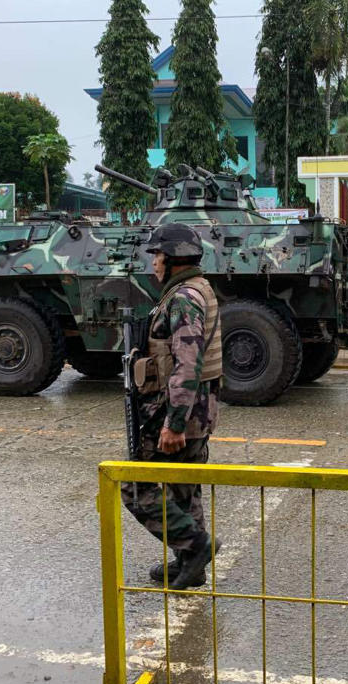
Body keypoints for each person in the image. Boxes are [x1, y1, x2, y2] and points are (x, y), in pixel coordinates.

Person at [121, 223, 223, 589]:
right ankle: (189, 565)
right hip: (199, 411)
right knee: (184, 489)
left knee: (135, 487)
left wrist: (173, 423)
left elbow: (187, 362)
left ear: (173, 258)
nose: (154, 264)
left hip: (180, 413)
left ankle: (196, 548)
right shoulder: (199, 289)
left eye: (157, 256)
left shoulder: (183, 298)